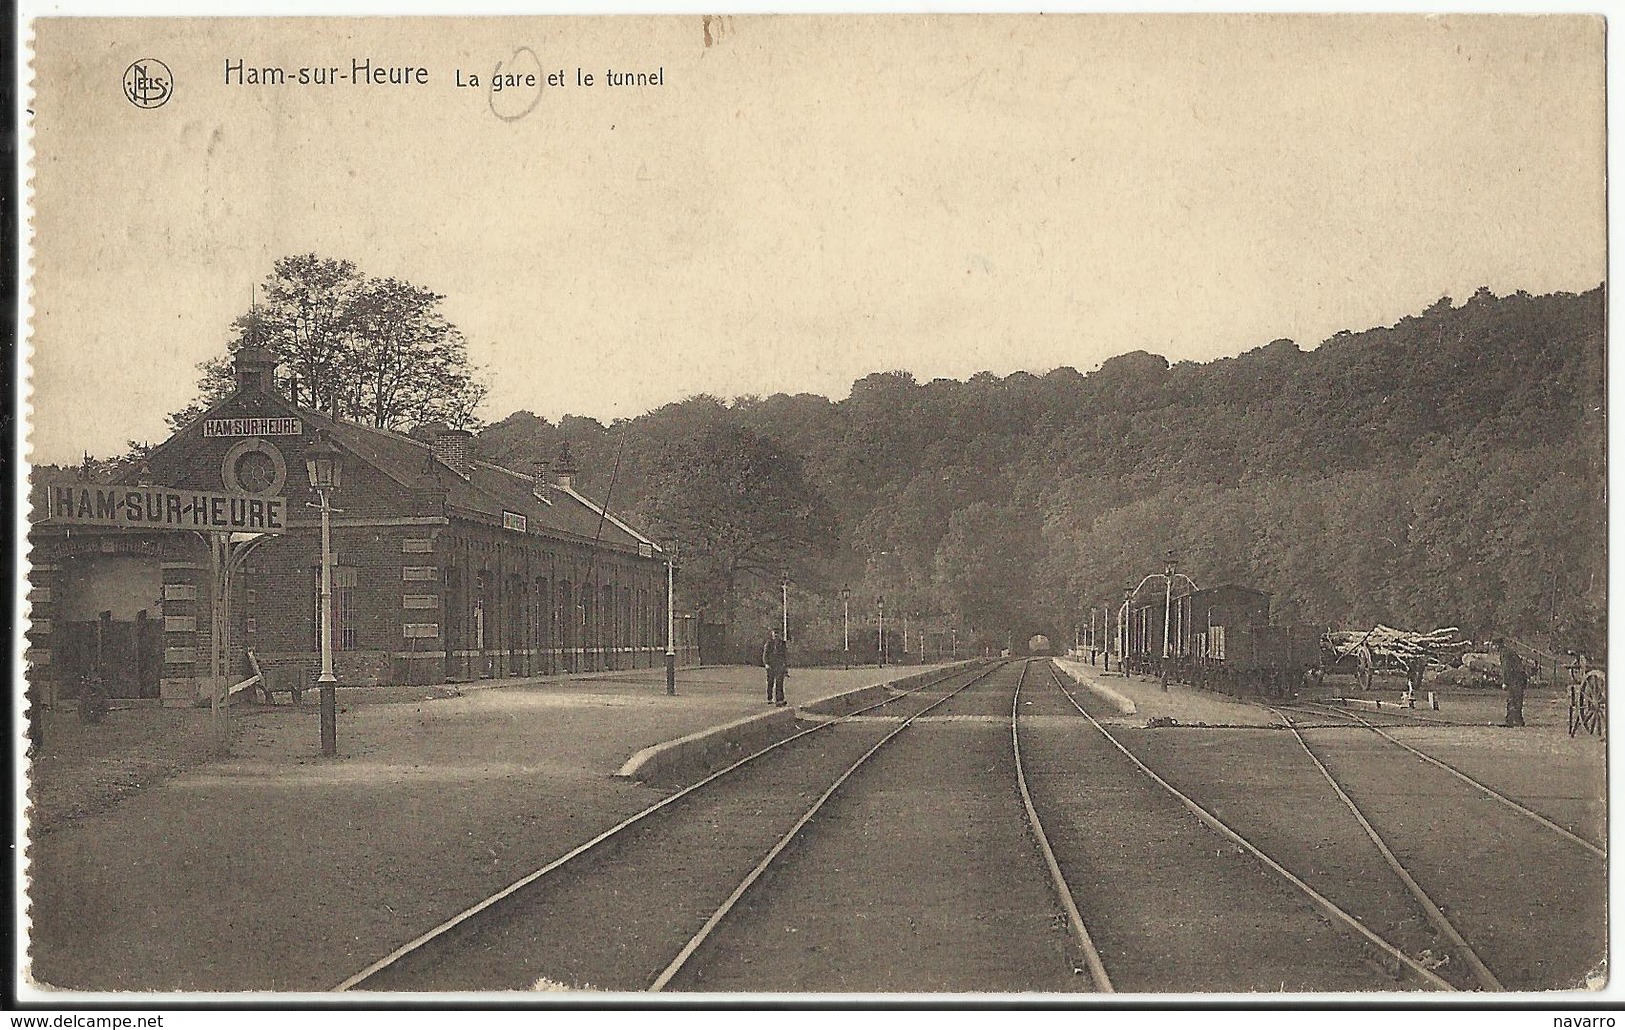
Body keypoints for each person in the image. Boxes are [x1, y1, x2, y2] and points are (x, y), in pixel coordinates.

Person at [1496, 638, 1526, 727]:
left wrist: (1505, 681)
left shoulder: (1505, 653)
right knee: (1517, 699)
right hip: (1519, 677)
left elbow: (1506, 668)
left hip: (1515, 678)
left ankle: (1511, 721)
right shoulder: (1508, 651)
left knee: (1513, 699)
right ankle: (1517, 720)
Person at [763, 628, 789, 707]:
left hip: (779, 665)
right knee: (770, 682)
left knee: (779, 683)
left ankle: (779, 699)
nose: (776, 636)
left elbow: (785, 655)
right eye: (775, 635)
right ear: (772, 635)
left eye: (777, 635)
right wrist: (766, 663)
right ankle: (769, 698)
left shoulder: (782, 644)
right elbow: (765, 654)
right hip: (771, 665)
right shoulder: (769, 643)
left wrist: (785, 666)